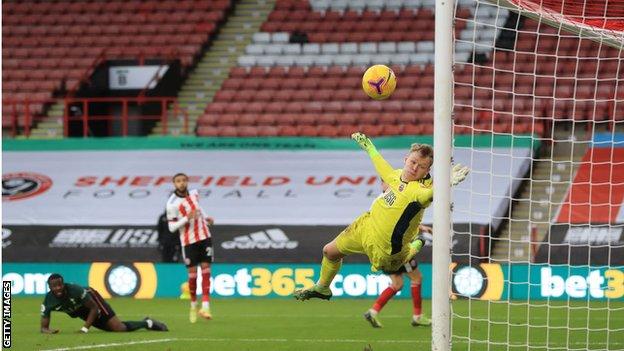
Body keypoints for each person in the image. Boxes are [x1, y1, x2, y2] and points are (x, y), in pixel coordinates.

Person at [294, 132, 469, 301]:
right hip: (365, 228)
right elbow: (380, 163)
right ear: (405, 159)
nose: (415, 167)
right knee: (329, 251)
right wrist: (368, 146)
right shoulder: (395, 176)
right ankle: (323, 287)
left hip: (388, 253)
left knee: (395, 262)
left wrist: (445, 184)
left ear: (426, 171)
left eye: (421, 166)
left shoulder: (418, 191)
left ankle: (416, 244)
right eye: (413, 162)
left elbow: (429, 195)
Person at [40, 274, 168, 334]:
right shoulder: (49, 300)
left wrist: (84, 329)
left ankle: (147, 323)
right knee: (111, 329)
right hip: (80, 310)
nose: (58, 288)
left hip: (92, 301)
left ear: (64, 284)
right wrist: (48, 331)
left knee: (119, 328)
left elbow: (94, 307)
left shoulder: (76, 290)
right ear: (49, 287)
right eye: (54, 286)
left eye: (60, 285)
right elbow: (44, 327)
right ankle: (147, 322)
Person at [166, 172, 215, 323]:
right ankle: (193, 304)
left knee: (206, 270)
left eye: (183, 180)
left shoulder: (194, 193)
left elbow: (199, 208)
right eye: (178, 181)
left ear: (187, 182)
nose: (181, 183)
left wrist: (206, 219)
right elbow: (172, 227)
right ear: (174, 184)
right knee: (192, 276)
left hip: (204, 236)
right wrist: (187, 218)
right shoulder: (172, 203)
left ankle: (205, 306)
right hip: (188, 242)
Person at [364, 225, 433, 328]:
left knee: (397, 284)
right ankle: (417, 316)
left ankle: (373, 311)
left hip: (384, 253)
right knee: (416, 278)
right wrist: (421, 227)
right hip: (399, 253)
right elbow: (401, 222)